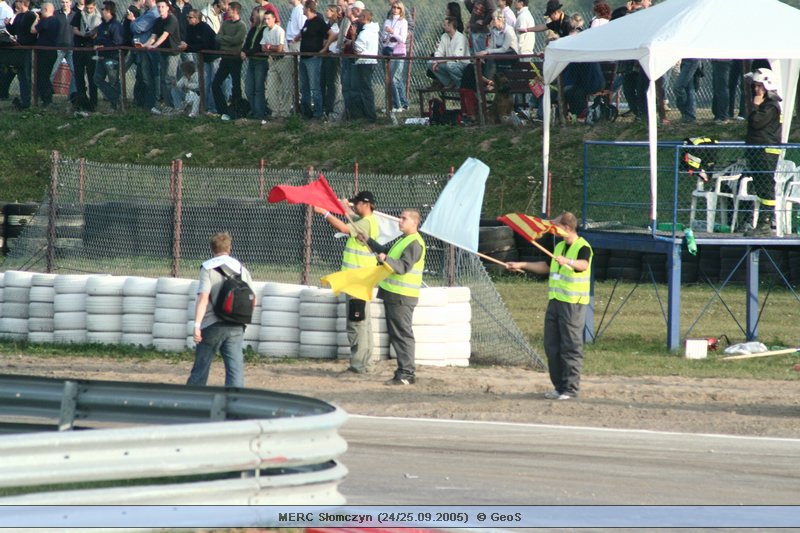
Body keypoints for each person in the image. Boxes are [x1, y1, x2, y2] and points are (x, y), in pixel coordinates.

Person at [505, 212, 592, 400]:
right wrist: (522, 264)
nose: (553, 231)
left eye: (557, 227)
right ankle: (559, 387)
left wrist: (568, 261)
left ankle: (570, 389)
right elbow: (546, 267)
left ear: (567, 228)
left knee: (570, 346)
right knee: (551, 345)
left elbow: (583, 265)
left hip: (573, 304)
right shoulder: (559, 246)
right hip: (555, 301)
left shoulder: (582, 246)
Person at [315, 191, 380, 374]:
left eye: (356, 203)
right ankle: (365, 364)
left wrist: (325, 213)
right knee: (363, 324)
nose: (354, 207)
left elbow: (344, 228)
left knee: (356, 323)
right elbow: (351, 219)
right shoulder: (369, 221)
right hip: (361, 280)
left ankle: (358, 366)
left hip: (356, 281)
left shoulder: (366, 223)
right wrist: (344, 208)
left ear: (366, 204)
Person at [359, 209, 426, 386]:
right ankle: (404, 371)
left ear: (414, 222)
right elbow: (384, 252)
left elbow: (403, 266)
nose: (400, 221)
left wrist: (386, 258)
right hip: (395, 296)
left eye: (404, 219)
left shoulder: (414, 243)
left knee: (402, 335)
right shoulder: (404, 240)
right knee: (398, 334)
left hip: (402, 297)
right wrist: (368, 241)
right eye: (400, 218)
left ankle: (406, 373)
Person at [187, 231, 252, 388]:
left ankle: (191, 401)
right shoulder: (242, 269)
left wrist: (196, 325)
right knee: (235, 369)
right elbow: (250, 297)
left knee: (201, 369)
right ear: (229, 247)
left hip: (212, 324)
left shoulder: (208, 268)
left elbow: (203, 297)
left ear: (212, 249)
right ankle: (235, 403)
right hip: (236, 324)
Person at [743, 68, 783, 237]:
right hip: (757, 151)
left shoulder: (770, 105)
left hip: (766, 152)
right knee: (760, 186)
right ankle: (762, 223)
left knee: (766, 187)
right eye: (755, 86)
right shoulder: (765, 105)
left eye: (759, 86)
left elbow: (756, 123)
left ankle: (766, 223)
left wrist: (755, 106)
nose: (756, 90)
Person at [144, 0, 181, 109]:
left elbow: (164, 36)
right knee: (164, 80)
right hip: (163, 52)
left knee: (169, 79)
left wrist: (154, 46)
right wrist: (144, 45)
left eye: (163, 6)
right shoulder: (157, 21)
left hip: (172, 53)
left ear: (168, 8)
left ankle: (175, 105)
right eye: (159, 6)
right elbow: (153, 37)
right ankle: (168, 104)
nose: (160, 9)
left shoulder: (172, 19)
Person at [212, 0, 245, 120]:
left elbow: (237, 40)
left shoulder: (241, 25)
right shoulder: (225, 23)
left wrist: (225, 40)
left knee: (236, 86)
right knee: (215, 84)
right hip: (225, 59)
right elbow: (217, 37)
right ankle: (222, 110)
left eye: (230, 9)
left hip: (235, 59)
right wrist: (228, 40)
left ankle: (237, 111)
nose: (227, 10)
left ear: (235, 11)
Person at [298, 0, 329, 119]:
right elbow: (304, 33)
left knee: (315, 87)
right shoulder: (307, 21)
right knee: (304, 86)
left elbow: (331, 34)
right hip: (304, 57)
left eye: (304, 7)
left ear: (308, 8)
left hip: (313, 58)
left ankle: (318, 112)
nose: (302, 9)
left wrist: (324, 48)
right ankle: (306, 111)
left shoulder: (318, 21)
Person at [4, 0, 37, 110]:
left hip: (26, 49)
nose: (15, 4)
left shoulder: (31, 16)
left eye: (17, 2)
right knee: (21, 75)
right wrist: (8, 25)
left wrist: (20, 40)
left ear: (22, 3)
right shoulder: (18, 16)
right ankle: (23, 99)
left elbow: (32, 34)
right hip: (18, 49)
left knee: (26, 76)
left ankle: (27, 101)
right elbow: (14, 31)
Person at [128, 0, 160, 112]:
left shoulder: (153, 13)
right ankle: (142, 102)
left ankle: (150, 104)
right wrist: (135, 23)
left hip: (148, 51)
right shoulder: (147, 12)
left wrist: (132, 21)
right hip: (141, 50)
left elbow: (137, 28)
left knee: (148, 78)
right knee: (141, 76)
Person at [92, 1, 124, 110]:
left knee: (113, 80)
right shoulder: (101, 26)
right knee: (97, 78)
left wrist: (104, 46)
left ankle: (117, 104)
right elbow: (98, 39)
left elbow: (118, 42)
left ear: (109, 11)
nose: (101, 11)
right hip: (101, 57)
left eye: (103, 9)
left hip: (112, 57)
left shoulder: (115, 26)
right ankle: (115, 97)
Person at [72, 0, 101, 111]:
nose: (88, 10)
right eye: (87, 8)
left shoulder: (98, 17)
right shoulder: (79, 15)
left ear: (94, 6)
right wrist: (83, 34)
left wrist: (93, 34)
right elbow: (74, 29)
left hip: (91, 50)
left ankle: (93, 102)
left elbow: (98, 32)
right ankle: (81, 101)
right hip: (79, 48)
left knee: (92, 76)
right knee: (79, 77)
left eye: (91, 8)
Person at [31, 2, 61, 108]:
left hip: (44, 52)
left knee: (42, 76)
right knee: (45, 75)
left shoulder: (46, 21)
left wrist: (36, 19)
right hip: (52, 51)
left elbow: (33, 30)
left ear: (46, 10)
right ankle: (46, 95)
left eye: (42, 10)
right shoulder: (56, 21)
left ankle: (46, 98)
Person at [350, 7, 378, 122]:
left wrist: (353, 36)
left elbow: (357, 49)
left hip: (364, 62)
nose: (359, 18)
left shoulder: (365, 33)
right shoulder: (374, 31)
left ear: (365, 18)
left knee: (365, 89)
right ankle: (369, 114)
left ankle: (369, 115)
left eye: (361, 16)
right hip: (371, 61)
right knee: (366, 89)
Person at [425, 16, 468, 90]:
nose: (443, 26)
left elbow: (456, 57)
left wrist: (438, 61)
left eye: (445, 25)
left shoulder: (461, 38)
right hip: (449, 62)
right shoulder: (444, 36)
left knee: (450, 65)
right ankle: (449, 83)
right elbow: (439, 51)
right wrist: (436, 61)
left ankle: (460, 84)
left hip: (462, 64)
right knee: (430, 63)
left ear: (450, 26)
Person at [241, 5, 267, 120]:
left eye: (254, 14)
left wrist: (247, 53)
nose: (252, 17)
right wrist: (243, 51)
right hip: (252, 60)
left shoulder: (265, 30)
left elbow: (259, 47)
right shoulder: (253, 29)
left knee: (258, 88)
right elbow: (247, 43)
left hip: (261, 62)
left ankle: (259, 113)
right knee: (248, 88)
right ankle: (254, 109)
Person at [381, 0, 407, 113]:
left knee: (393, 79)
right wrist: (386, 36)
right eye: (393, 7)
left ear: (401, 10)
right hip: (388, 51)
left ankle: (397, 105)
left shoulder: (403, 22)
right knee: (389, 79)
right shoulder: (387, 21)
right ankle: (395, 104)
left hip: (398, 52)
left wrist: (393, 33)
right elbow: (383, 38)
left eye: (398, 8)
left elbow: (403, 39)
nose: (395, 9)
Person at [260, 8, 286, 116]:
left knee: (286, 88)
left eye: (269, 19)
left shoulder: (279, 30)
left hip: (284, 60)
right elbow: (262, 47)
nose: (267, 21)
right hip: (273, 60)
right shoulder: (265, 31)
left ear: (274, 19)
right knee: (271, 87)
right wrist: (270, 48)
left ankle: (285, 112)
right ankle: (275, 111)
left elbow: (280, 49)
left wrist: (270, 47)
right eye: (265, 19)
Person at [672, 58, 700, 123]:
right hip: (686, 60)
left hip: (691, 60)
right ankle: (689, 115)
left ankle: (685, 111)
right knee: (689, 88)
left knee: (678, 88)